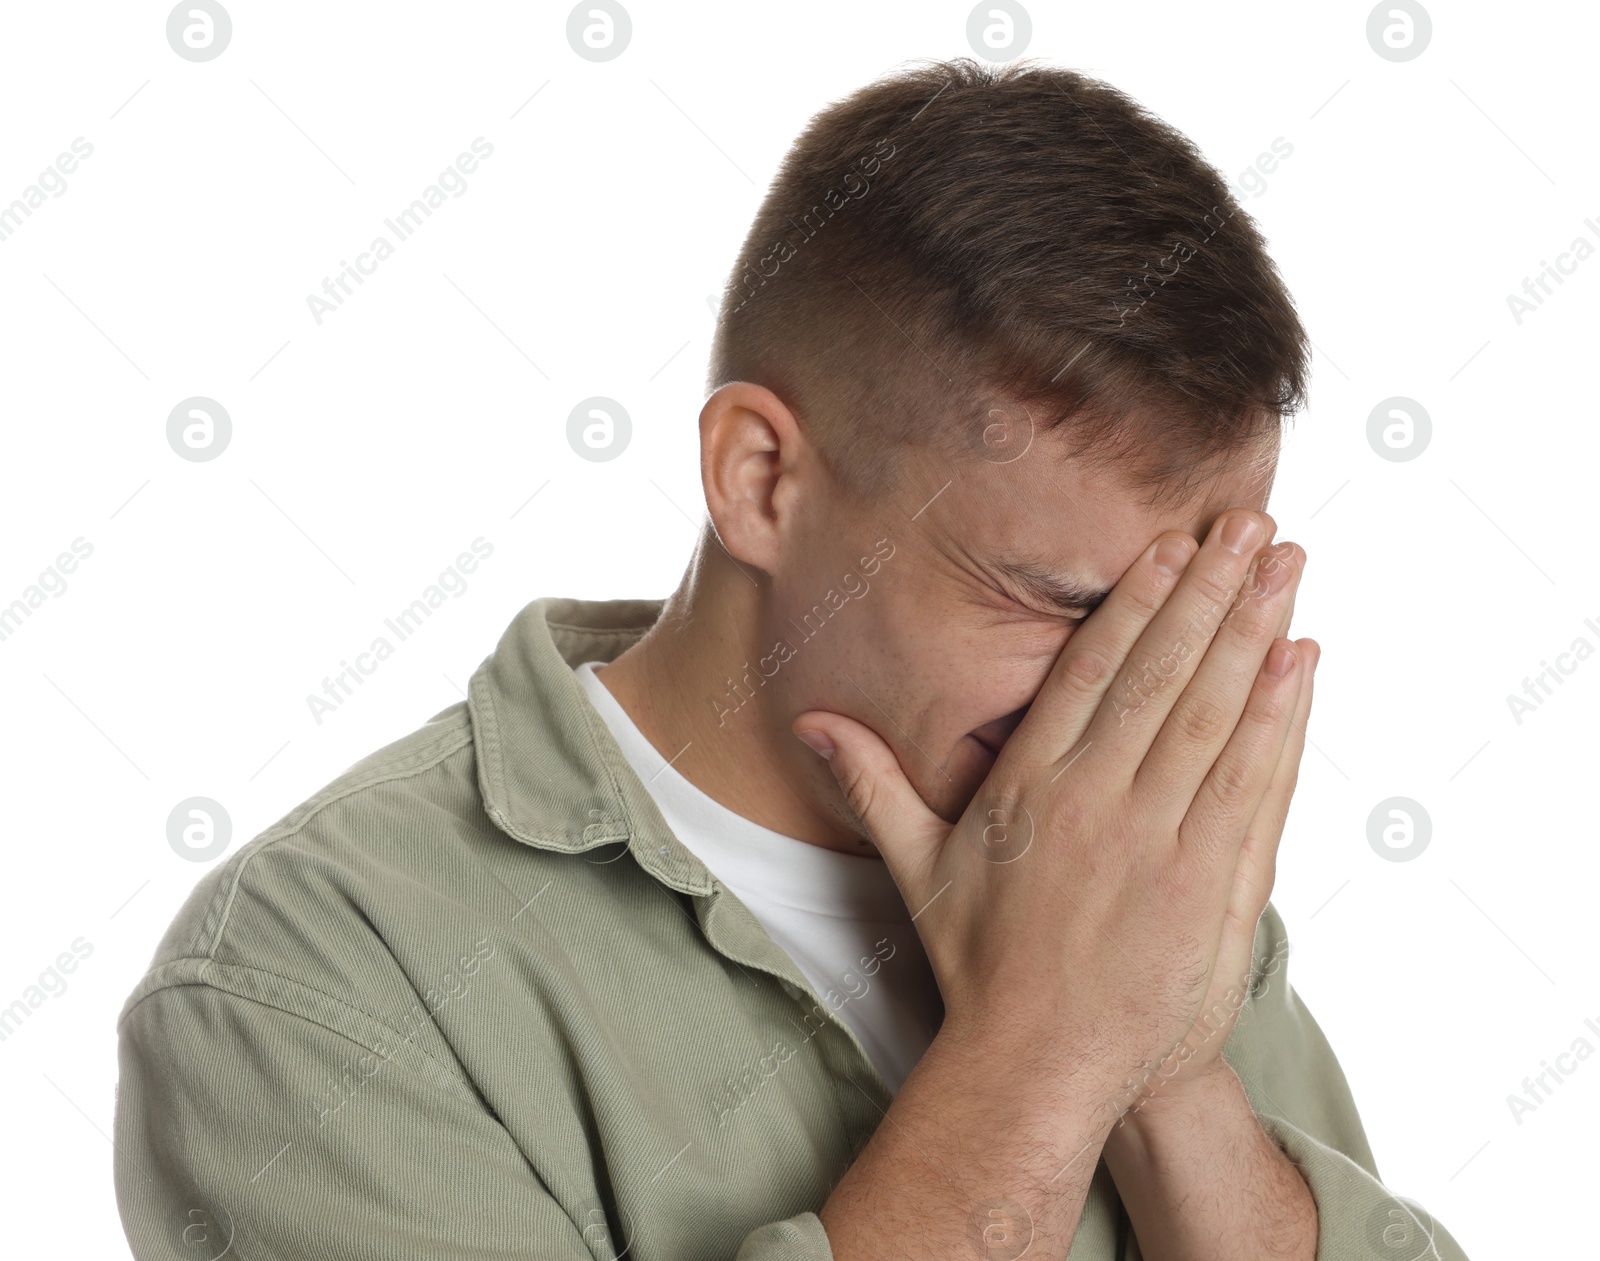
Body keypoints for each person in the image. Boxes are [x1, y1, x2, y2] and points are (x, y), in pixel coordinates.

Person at [114, 57, 1468, 1260]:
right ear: (759, 478)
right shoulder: (306, 983)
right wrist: (1052, 1047)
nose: (1130, 688)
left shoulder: (1136, 856)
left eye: (1190, 614)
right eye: (1059, 598)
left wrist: (1170, 1075)